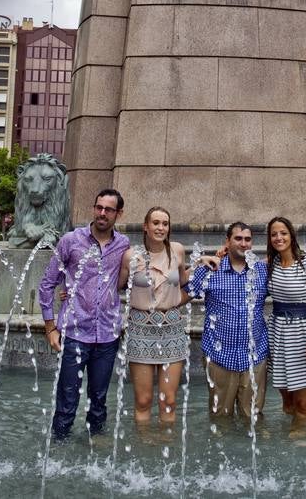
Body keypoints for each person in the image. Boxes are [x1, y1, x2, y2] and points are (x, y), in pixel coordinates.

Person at [39, 188, 129, 440]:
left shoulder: (123, 245)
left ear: (118, 214)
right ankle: (59, 442)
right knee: (68, 395)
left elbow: (128, 279)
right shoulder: (71, 240)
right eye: (98, 207)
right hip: (75, 332)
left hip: (108, 335)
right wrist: (49, 327)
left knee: (99, 397)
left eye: (108, 209)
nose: (102, 213)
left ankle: (96, 444)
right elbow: (47, 283)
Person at [185, 221, 269, 418]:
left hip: (254, 356)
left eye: (247, 239)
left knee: (253, 417)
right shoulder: (212, 269)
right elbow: (185, 289)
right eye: (238, 238)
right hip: (219, 357)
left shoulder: (262, 270)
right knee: (220, 417)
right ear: (227, 242)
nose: (243, 243)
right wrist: (199, 263)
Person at [118, 206, 188, 425]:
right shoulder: (130, 256)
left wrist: (173, 304)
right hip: (141, 330)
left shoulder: (177, 250)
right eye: (156, 223)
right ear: (145, 227)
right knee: (143, 400)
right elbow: (117, 286)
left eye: (165, 223)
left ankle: (166, 449)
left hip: (172, 330)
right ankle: (144, 450)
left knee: (169, 400)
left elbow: (186, 285)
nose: (161, 227)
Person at [267, 216, 306, 425]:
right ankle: (293, 431)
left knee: (303, 403)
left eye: (283, 233)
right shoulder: (270, 264)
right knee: (287, 402)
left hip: (303, 335)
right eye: (274, 234)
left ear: (291, 235)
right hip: (278, 335)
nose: (278, 238)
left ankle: (302, 439)